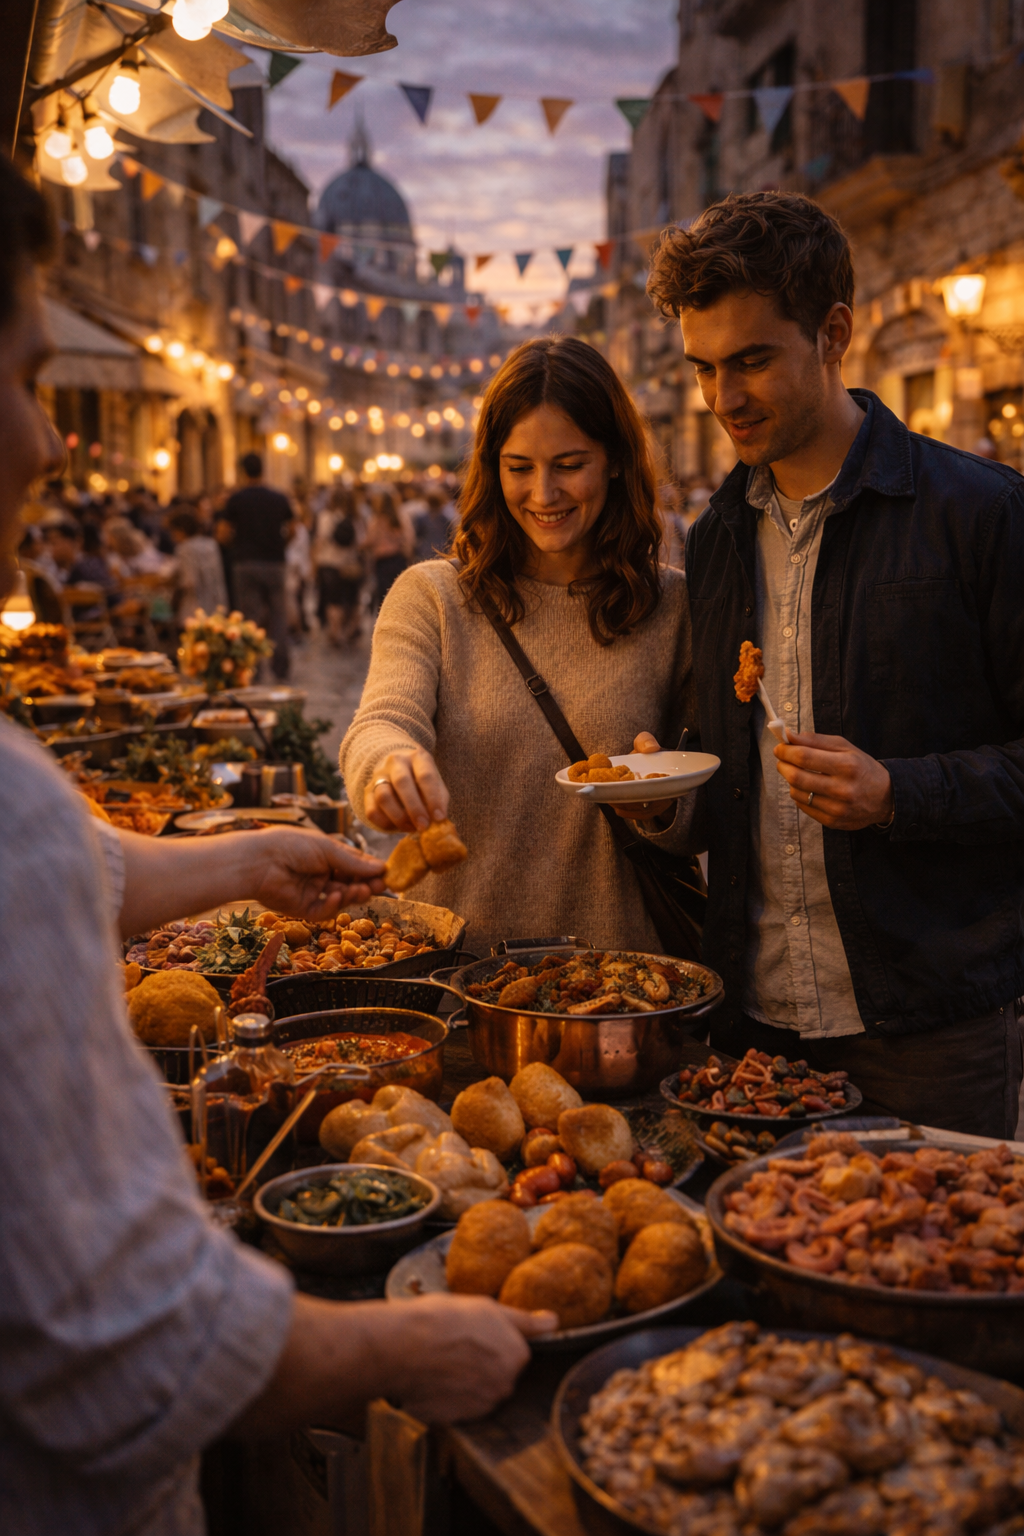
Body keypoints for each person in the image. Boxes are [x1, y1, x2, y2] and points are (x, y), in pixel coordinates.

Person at [0, 153, 552, 1536]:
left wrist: (245, 860)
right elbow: (117, 1333)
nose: (50, 440)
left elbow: (68, 872)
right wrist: (415, 1349)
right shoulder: (431, 588)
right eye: (23, 377)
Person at [634, 190, 1024, 1136]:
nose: (723, 398)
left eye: (752, 360)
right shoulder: (717, 537)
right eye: (704, 368)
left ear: (834, 332)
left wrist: (897, 791)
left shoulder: (981, 514)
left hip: (929, 1027)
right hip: (755, 1027)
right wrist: (662, 794)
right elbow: (729, 775)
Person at [340, 335, 695, 953]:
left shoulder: (673, 607)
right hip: (455, 980)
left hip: (626, 981)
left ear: (613, 459)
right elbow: (381, 721)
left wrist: (664, 810)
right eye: (519, 467)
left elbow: (712, 806)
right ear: (491, 466)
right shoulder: (433, 598)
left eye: (569, 464)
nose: (544, 494)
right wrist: (390, 765)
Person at [220, 452, 292, 679]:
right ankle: (280, 666)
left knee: (250, 618)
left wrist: (237, 544)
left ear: (243, 472)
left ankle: (253, 666)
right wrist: (280, 544)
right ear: (263, 469)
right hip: (274, 562)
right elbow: (293, 530)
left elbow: (222, 533)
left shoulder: (236, 499)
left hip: (245, 563)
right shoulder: (279, 498)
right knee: (279, 615)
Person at [314, 483, 364, 645]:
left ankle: (335, 632)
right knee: (351, 599)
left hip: (329, 563)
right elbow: (361, 542)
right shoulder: (357, 518)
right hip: (350, 565)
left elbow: (320, 540)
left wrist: (314, 561)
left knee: (333, 600)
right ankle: (350, 629)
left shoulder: (326, 516)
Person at [168, 505, 228, 622]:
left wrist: (174, 600)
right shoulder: (211, 544)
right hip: (217, 601)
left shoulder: (185, 548)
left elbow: (189, 581)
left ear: (181, 530)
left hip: (195, 606)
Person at [360, 482, 414, 610]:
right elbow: (409, 539)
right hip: (398, 559)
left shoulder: (376, 520)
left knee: (384, 596)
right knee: (398, 594)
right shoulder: (401, 518)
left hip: (382, 561)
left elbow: (370, 540)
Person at [413, 484, 456, 562]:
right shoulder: (445, 518)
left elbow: (417, 535)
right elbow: (450, 536)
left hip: (424, 551)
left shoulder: (421, 518)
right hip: (442, 551)